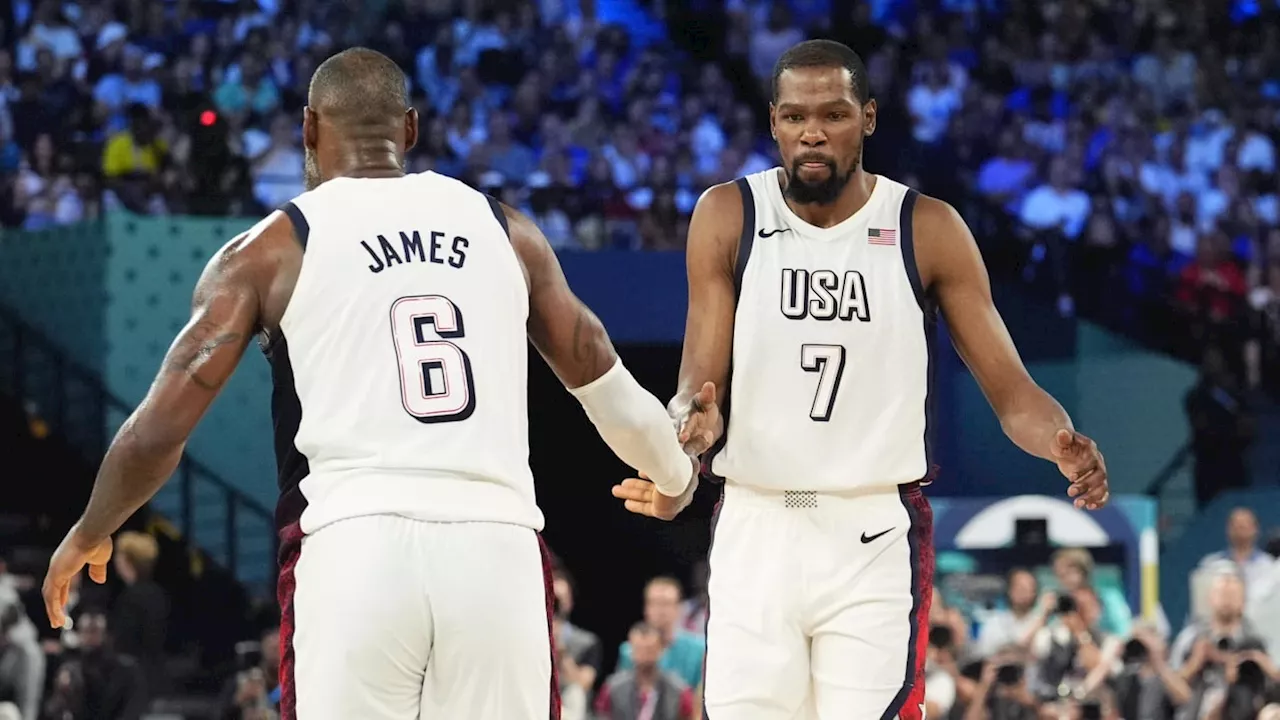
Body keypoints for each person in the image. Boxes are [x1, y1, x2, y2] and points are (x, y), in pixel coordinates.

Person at [42, 47, 696, 720]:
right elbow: (594, 362)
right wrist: (674, 474)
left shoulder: (270, 248)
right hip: (496, 551)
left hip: (356, 549)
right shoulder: (502, 227)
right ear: (409, 130)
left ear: (307, 129)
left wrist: (92, 528)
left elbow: (161, 427)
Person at [612, 39, 1110, 719]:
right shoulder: (729, 215)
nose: (812, 130)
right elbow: (700, 387)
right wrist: (689, 438)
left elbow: (1012, 390)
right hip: (757, 523)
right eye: (793, 117)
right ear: (773, 124)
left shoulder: (926, 228)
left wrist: (1060, 439)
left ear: (869, 118)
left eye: (834, 114)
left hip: (872, 532)